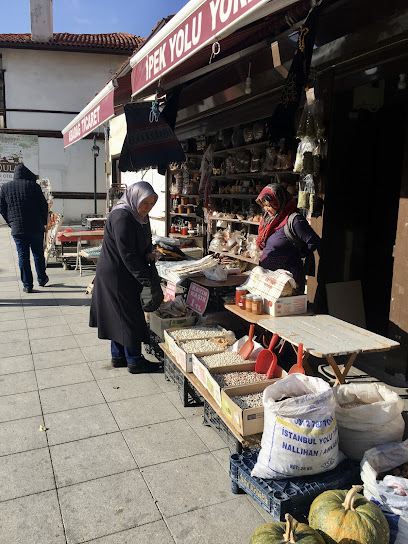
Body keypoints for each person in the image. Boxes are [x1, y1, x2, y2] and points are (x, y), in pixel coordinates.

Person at [89, 181, 164, 374]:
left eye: (151, 204)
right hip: (116, 273)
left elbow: (143, 242)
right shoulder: (122, 216)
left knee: (118, 315)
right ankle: (135, 361)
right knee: (129, 315)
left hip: (124, 271)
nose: (147, 208)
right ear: (134, 198)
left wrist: (149, 252)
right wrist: (146, 279)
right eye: (144, 203)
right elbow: (127, 253)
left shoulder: (139, 216)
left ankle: (119, 356)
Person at [256, 183, 320, 294]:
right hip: (269, 279)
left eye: (270, 205)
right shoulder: (270, 220)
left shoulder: (295, 220)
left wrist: (299, 254)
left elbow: (313, 242)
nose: (267, 209)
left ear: (280, 202)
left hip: (287, 283)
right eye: (265, 205)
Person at [0, 164, 49, 293]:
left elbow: (2, 209)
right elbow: (44, 206)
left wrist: (11, 222)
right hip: (35, 227)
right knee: (38, 254)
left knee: (23, 256)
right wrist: (44, 222)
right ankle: (42, 278)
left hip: (18, 229)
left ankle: (27, 285)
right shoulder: (33, 186)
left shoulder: (5, 188)